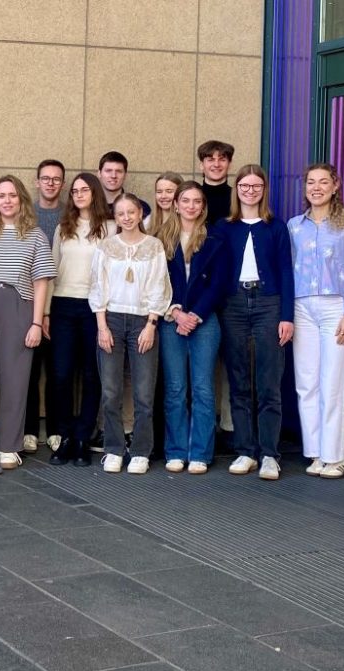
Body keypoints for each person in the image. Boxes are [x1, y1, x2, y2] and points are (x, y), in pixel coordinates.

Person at [288, 163, 344, 479]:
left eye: (323, 182)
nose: (316, 188)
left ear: (336, 186)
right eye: (311, 182)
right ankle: (316, 453)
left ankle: (336, 457)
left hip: (336, 307)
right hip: (301, 307)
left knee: (334, 383)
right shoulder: (294, 226)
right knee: (307, 383)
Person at [0, 176, 54, 470]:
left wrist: (36, 323)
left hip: (20, 306)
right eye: (2, 196)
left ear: (22, 200)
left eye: (13, 195)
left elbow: (41, 282)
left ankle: (9, 446)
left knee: (15, 378)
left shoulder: (35, 235)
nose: (7, 201)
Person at [218, 164, 295, 481]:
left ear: (264, 190)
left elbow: (287, 272)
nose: (250, 191)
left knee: (268, 382)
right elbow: (215, 271)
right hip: (233, 304)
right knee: (238, 381)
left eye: (256, 186)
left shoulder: (276, 227)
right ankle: (245, 451)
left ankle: (269, 455)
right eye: (244, 186)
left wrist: (287, 316)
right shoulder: (225, 227)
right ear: (237, 190)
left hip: (268, 303)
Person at [90, 193, 171, 474]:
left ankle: (140, 451)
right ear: (116, 217)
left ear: (140, 214)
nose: (126, 217)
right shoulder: (106, 246)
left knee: (144, 393)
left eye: (131, 212)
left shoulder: (154, 246)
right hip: (111, 319)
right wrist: (102, 327)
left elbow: (160, 285)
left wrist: (151, 324)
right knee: (111, 391)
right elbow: (97, 285)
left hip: (142, 321)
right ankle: (113, 449)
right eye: (120, 213)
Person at [154, 181, 227, 474]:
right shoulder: (160, 239)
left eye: (197, 201)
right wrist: (175, 312)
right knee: (174, 389)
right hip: (171, 320)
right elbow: (156, 281)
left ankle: (200, 452)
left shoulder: (215, 239)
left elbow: (219, 284)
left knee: (203, 389)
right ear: (176, 204)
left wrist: (195, 315)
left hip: (204, 321)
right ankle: (175, 451)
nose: (191, 206)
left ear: (203, 206)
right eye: (185, 200)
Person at [46, 173, 115, 466]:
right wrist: (46, 312)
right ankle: (65, 437)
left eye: (84, 189)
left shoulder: (110, 228)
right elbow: (52, 270)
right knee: (61, 374)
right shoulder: (63, 227)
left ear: (95, 192)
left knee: (91, 375)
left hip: (94, 308)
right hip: (62, 305)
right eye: (74, 191)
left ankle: (84, 438)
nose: (78, 194)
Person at [24, 159, 66, 453]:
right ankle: (28, 429)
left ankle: (55, 429)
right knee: (28, 369)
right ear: (37, 182)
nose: (50, 183)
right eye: (46, 178)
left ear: (62, 184)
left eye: (56, 179)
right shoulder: (26, 215)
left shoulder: (69, 215)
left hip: (61, 302)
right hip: (29, 302)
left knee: (57, 371)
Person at [98, 151, 150, 218]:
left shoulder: (141, 208)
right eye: (108, 171)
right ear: (99, 173)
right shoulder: (88, 206)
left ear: (125, 175)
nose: (113, 176)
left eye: (118, 171)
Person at [197, 140, 235, 225]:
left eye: (222, 159)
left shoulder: (238, 197)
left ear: (229, 165)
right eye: (211, 160)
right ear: (201, 165)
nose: (216, 165)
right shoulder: (192, 197)